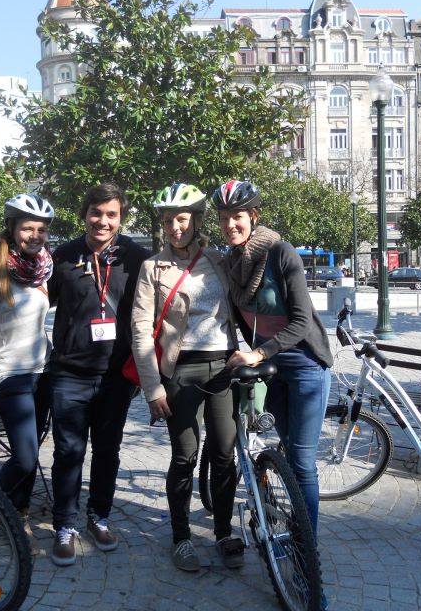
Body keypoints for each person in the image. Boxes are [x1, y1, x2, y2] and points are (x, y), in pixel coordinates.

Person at [130, 184, 241, 572]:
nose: (173, 227)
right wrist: (152, 387)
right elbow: (141, 331)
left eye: (181, 219)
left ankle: (225, 532)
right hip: (181, 371)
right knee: (185, 456)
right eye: (167, 221)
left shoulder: (218, 260)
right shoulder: (152, 268)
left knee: (225, 455)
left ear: (196, 220)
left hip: (224, 368)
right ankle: (181, 538)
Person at [213, 180, 331, 541]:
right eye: (223, 218)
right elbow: (234, 319)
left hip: (305, 364)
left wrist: (260, 352)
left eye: (238, 217)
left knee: (302, 461)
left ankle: (305, 543)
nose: (231, 225)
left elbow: (300, 321)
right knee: (286, 447)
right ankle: (289, 513)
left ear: (253, 216)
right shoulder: (231, 263)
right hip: (271, 370)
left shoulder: (281, 253)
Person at [47, 183, 150, 566]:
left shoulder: (136, 258)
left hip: (114, 376)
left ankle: (99, 516)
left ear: (121, 217)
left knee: (107, 452)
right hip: (69, 373)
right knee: (68, 452)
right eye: (96, 213)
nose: (103, 221)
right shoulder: (63, 255)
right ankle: (63, 525)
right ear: (84, 213)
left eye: (111, 214)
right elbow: (36, 300)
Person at [0, 193, 55, 553]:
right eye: (27, 228)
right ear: (13, 227)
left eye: (40, 229)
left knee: (32, 450)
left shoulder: (41, 270)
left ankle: (18, 516)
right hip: (10, 377)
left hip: (43, 374)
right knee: (25, 456)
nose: (34, 235)